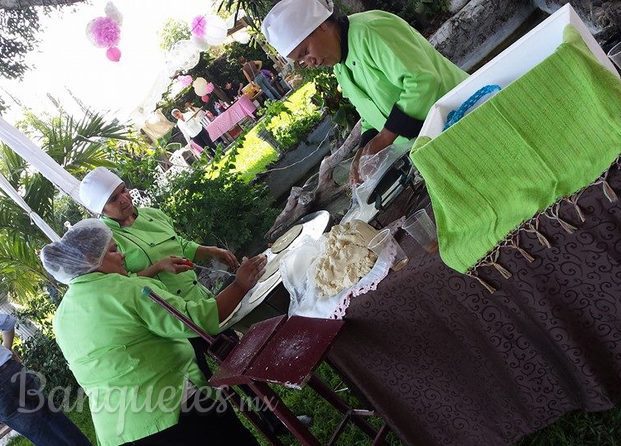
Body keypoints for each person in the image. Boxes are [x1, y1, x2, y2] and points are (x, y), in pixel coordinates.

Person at [42, 219, 265, 445]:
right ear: (91, 259)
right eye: (113, 250)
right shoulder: (126, 289)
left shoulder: (61, 317)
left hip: (118, 432)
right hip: (173, 411)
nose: (122, 255)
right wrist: (240, 285)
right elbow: (199, 321)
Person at [261, 0, 468, 183]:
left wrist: (386, 137)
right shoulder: (340, 66)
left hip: (463, 116)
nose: (311, 62)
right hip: (434, 142)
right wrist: (363, 149)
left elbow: (423, 80)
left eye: (306, 51)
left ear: (322, 25)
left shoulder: (371, 31)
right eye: (302, 61)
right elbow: (371, 112)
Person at [0, 313, 91, 445]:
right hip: (11, 371)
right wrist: (6, 349)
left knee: (38, 432)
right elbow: (8, 322)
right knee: (52, 416)